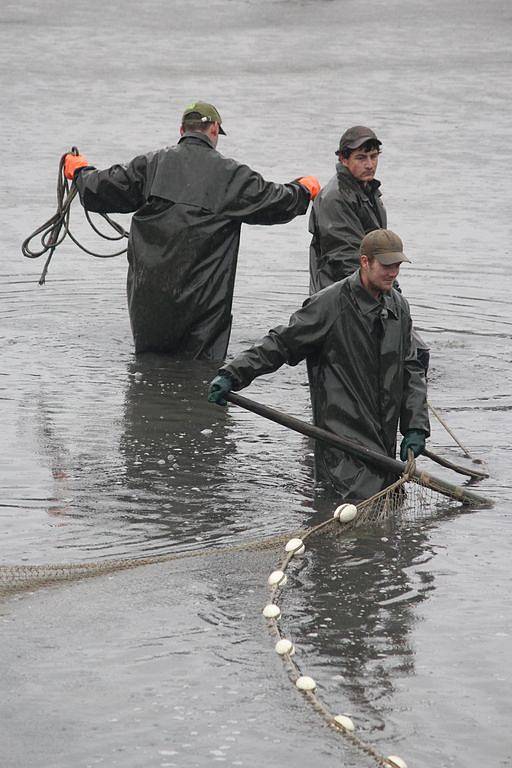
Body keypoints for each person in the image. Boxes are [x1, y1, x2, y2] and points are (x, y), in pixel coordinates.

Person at [63, 101, 320, 359]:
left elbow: (103, 186)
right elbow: (275, 201)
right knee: (200, 371)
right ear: (214, 130)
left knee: (150, 364)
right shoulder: (230, 174)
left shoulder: (152, 164)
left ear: (182, 130)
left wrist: (80, 171)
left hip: (149, 299)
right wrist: (302, 189)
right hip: (202, 305)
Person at [207, 229, 430, 501]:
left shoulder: (399, 308)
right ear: (364, 262)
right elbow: (281, 343)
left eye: (397, 266)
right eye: (386, 266)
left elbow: (411, 368)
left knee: (389, 504)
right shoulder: (330, 304)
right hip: (341, 442)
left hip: (384, 442)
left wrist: (415, 426)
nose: (393, 273)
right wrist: (232, 374)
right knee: (350, 513)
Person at [308, 125, 430, 371]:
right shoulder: (335, 198)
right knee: (409, 356)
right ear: (343, 158)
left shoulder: (368, 192)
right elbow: (347, 259)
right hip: (342, 298)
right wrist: (389, 298)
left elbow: (379, 251)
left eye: (374, 157)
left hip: (368, 291)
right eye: (361, 158)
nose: (369, 164)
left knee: (415, 355)